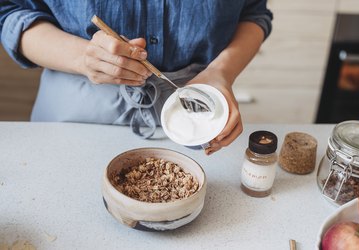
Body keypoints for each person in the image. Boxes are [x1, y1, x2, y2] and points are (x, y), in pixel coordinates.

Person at [0, 1, 272, 155]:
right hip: (75, 111)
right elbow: (11, 11)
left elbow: (253, 13)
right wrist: (83, 57)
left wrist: (220, 72)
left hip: (196, 112)